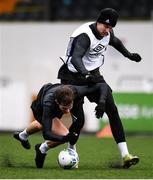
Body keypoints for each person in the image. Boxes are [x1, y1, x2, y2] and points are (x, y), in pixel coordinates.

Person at [57, 8, 141, 168]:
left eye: (110, 28)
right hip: (72, 76)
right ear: (98, 22)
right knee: (79, 119)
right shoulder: (84, 35)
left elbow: (115, 41)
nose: (107, 31)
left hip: (92, 74)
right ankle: (70, 150)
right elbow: (75, 58)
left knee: (112, 110)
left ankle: (125, 155)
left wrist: (128, 55)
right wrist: (85, 74)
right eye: (105, 27)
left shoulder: (107, 33)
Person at [13, 82, 109, 168]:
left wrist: (102, 102)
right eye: (64, 108)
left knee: (43, 124)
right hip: (40, 108)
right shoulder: (48, 104)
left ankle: (22, 135)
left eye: (70, 106)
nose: (67, 111)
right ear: (57, 102)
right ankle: (42, 148)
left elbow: (102, 85)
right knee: (61, 132)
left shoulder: (75, 91)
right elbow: (46, 134)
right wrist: (65, 138)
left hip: (52, 93)